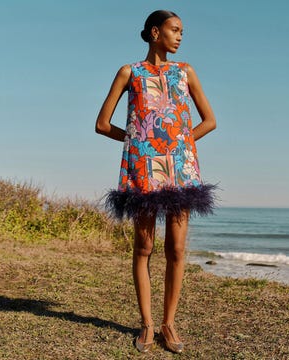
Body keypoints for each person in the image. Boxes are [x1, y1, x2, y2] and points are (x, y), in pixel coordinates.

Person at [95, 10, 216, 354]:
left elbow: (210, 121)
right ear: (154, 32)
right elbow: (102, 124)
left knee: (176, 249)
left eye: (182, 32)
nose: (179, 36)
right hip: (142, 172)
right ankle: (147, 324)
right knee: (144, 248)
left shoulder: (185, 72)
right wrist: (138, 142)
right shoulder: (128, 72)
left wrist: (179, 144)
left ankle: (169, 323)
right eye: (174, 30)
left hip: (180, 171)